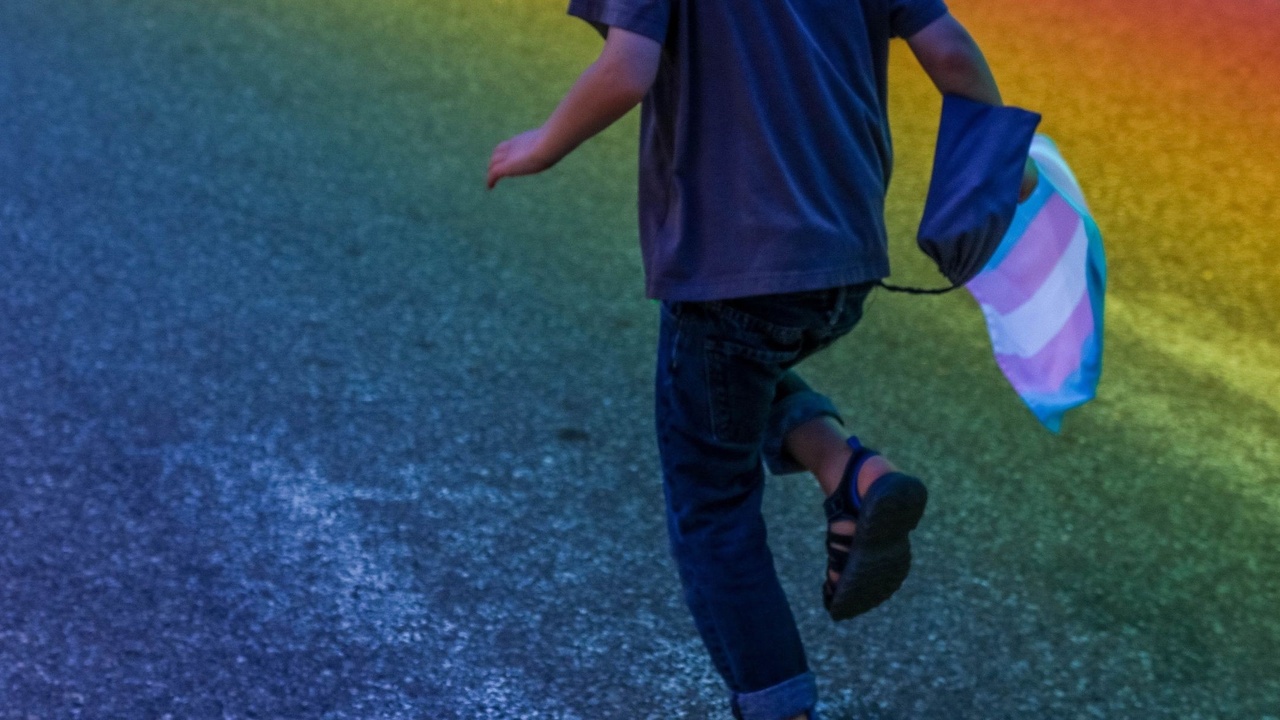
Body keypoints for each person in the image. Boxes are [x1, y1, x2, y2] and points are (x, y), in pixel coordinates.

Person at [487, 2, 1036, 718]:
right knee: (732, 378)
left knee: (711, 508)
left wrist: (543, 145)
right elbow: (953, 53)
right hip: (843, 261)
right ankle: (850, 472)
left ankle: (779, 703)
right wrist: (997, 159)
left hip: (733, 264)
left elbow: (626, 67)